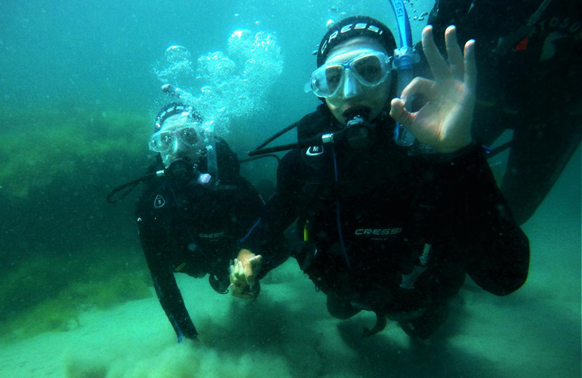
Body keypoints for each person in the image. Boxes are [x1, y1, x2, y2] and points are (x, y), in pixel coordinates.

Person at [232, 16, 530, 341]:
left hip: (415, 292)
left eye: (369, 70)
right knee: (339, 310)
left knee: (425, 331)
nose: (350, 91)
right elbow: (278, 212)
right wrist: (248, 252)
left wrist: (458, 152)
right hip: (348, 287)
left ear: (395, 74)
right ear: (320, 91)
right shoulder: (304, 162)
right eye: (332, 78)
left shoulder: (430, 151)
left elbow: (506, 276)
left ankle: (438, 308)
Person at [136, 102, 288, 342]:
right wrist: (186, 337)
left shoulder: (232, 184)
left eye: (188, 136)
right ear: (158, 150)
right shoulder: (151, 201)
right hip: (195, 262)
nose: (177, 149)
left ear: (203, 139)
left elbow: (278, 243)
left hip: (232, 251)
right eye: (165, 140)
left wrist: (255, 267)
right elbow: (160, 276)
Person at [426, 0, 582, 225]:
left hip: (557, 114)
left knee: (514, 212)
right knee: (433, 183)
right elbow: (438, 33)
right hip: (480, 97)